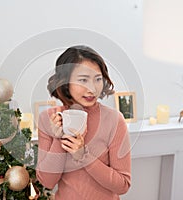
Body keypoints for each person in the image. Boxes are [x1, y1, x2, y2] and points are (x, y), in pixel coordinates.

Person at [36, 45, 131, 200]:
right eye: (83, 80)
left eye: (97, 79)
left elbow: (123, 185)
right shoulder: (48, 118)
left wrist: (83, 156)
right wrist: (58, 138)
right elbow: (47, 181)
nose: (92, 89)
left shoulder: (114, 120)